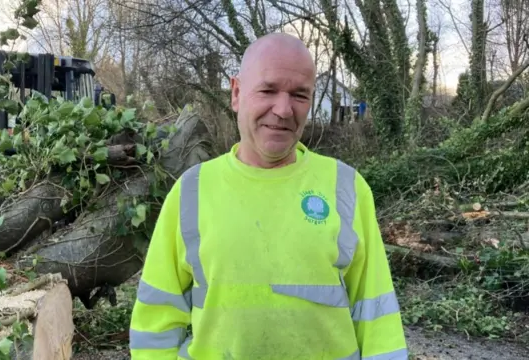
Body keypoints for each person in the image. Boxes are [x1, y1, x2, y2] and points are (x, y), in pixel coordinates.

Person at [128, 32, 408, 360]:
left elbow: (377, 315)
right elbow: (156, 321)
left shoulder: (346, 187)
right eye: (268, 90)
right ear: (236, 93)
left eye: (299, 95)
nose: (284, 109)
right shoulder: (192, 191)